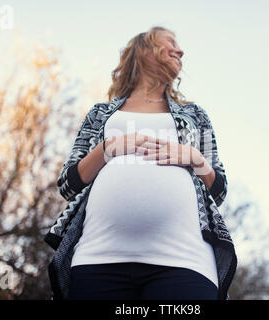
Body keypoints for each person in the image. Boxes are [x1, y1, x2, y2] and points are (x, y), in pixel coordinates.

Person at [44, 26, 238, 300]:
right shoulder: (100, 114)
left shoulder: (195, 115)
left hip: (185, 260)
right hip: (98, 257)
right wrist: (108, 148)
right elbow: (68, 185)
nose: (180, 50)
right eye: (170, 41)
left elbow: (219, 191)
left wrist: (195, 158)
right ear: (143, 48)